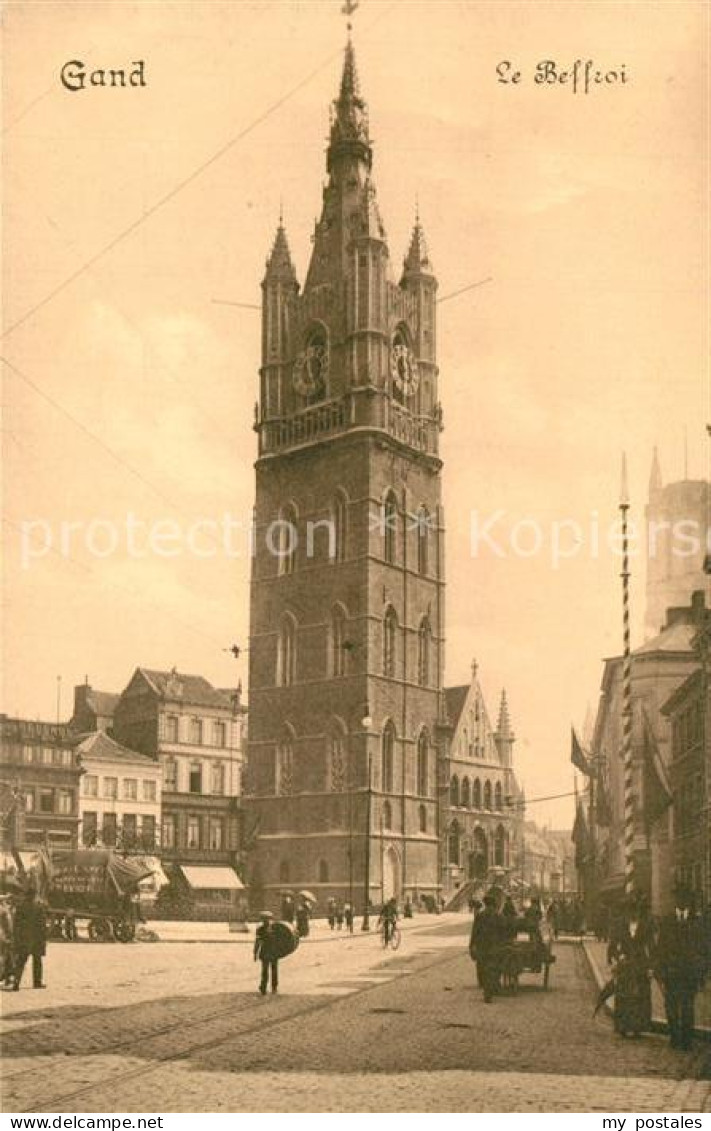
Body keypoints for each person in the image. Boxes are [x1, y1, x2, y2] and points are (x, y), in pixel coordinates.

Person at [653, 886, 707, 1051]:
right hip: (671, 972)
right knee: (671, 1005)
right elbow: (661, 948)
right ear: (676, 901)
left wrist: (701, 973)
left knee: (687, 1006)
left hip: (689, 973)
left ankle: (686, 1039)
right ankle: (675, 1036)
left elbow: (702, 949)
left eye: (685, 899)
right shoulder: (667, 921)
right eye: (679, 899)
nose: (682, 902)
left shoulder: (696, 922)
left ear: (688, 902)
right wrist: (660, 970)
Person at [606, 893, 653, 1037]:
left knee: (640, 996)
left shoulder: (645, 926)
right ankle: (623, 1026)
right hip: (625, 964)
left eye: (636, 911)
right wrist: (617, 957)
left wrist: (651, 966)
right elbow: (612, 945)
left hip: (640, 963)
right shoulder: (620, 925)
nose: (633, 914)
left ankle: (638, 1026)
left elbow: (650, 946)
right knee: (624, 996)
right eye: (630, 910)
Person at [470, 891, 504, 1003]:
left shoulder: (480, 915)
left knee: (483, 968)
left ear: (485, 904)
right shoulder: (498, 916)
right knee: (494, 967)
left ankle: (487, 990)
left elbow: (475, 932)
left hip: (482, 946)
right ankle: (492, 987)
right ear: (494, 904)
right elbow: (504, 931)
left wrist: (471, 946)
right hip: (495, 946)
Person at [11, 887, 47, 990]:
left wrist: (16, 937)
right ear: (34, 895)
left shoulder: (20, 907)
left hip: (23, 938)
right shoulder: (38, 907)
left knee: (21, 961)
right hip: (36, 938)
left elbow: (16, 924)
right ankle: (37, 982)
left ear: (26, 895)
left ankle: (16, 983)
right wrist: (43, 938)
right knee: (37, 960)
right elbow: (42, 925)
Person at [254, 911, 280, 995]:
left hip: (265, 952)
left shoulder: (260, 929)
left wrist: (255, 953)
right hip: (273, 952)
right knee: (273, 970)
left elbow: (258, 942)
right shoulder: (275, 928)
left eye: (266, 919)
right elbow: (281, 940)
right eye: (265, 919)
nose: (266, 921)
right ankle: (273, 987)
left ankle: (264, 987)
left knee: (265, 970)